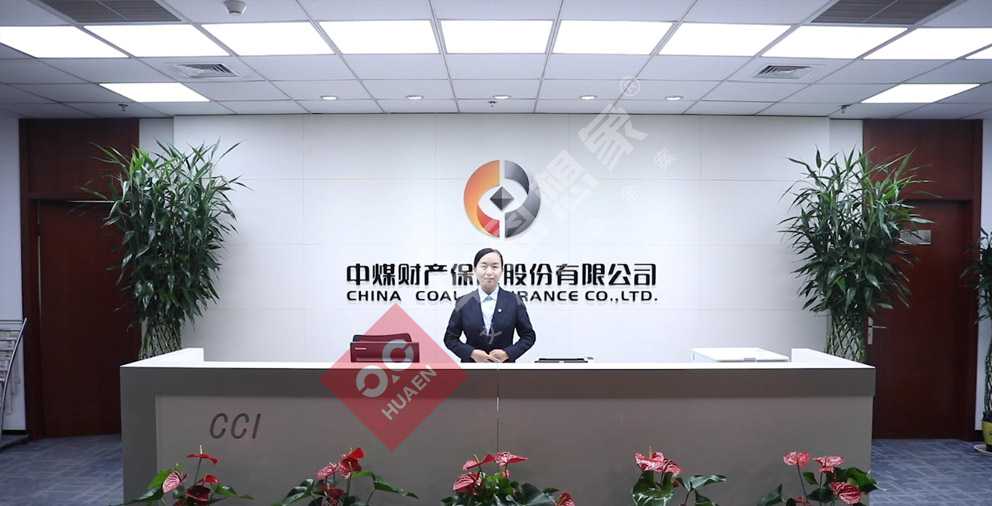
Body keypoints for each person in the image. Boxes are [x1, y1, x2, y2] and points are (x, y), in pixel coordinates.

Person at [443, 248, 536, 363]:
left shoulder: (514, 301)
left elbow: (528, 336)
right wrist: (472, 353)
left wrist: (507, 353)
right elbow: (450, 338)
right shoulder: (463, 302)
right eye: (483, 266)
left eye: (495, 267)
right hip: (472, 368)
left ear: (502, 270)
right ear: (475, 270)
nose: (489, 272)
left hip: (504, 368)